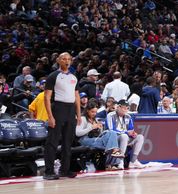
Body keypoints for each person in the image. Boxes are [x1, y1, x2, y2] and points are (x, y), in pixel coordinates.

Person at [42, 52, 80, 180]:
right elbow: (46, 97)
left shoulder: (74, 77)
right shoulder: (53, 76)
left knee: (67, 142)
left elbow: (77, 97)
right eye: (64, 59)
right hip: (58, 108)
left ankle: (65, 170)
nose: (67, 61)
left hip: (70, 110)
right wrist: (50, 116)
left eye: (69, 59)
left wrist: (78, 115)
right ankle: (48, 171)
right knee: (52, 141)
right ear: (58, 60)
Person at [76, 99, 124, 169]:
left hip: (94, 139)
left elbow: (98, 134)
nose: (94, 114)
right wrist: (91, 127)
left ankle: (113, 154)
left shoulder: (95, 120)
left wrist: (100, 128)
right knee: (111, 143)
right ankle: (111, 163)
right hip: (84, 140)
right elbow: (77, 133)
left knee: (112, 133)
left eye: (95, 112)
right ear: (87, 110)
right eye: (92, 112)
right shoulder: (83, 119)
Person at [106, 100, 146, 168]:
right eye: (124, 108)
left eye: (127, 108)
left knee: (140, 137)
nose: (126, 110)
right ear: (118, 107)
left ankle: (133, 161)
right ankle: (120, 161)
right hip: (114, 139)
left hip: (126, 137)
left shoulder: (128, 117)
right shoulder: (110, 115)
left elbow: (131, 129)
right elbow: (111, 130)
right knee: (124, 136)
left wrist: (133, 134)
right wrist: (126, 132)